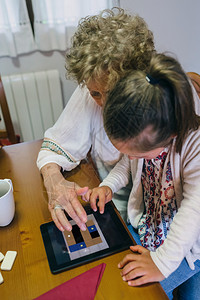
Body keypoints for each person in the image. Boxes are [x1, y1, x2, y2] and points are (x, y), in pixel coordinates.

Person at [85, 53, 200, 299]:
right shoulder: (147, 128)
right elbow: (127, 164)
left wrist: (161, 263)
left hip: (189, 247)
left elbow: (194, 210)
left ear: (169, 136)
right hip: (152, 230)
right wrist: (108, 186)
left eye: (139, 155)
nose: (132, 158)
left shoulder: (195, 146)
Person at [37, 7, 156, 232]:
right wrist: (54, 181)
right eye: (95, 93)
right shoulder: (91, 90)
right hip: (115, 210)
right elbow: (56, 147)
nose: (103, 103)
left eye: (112, 91)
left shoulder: (160, 106)